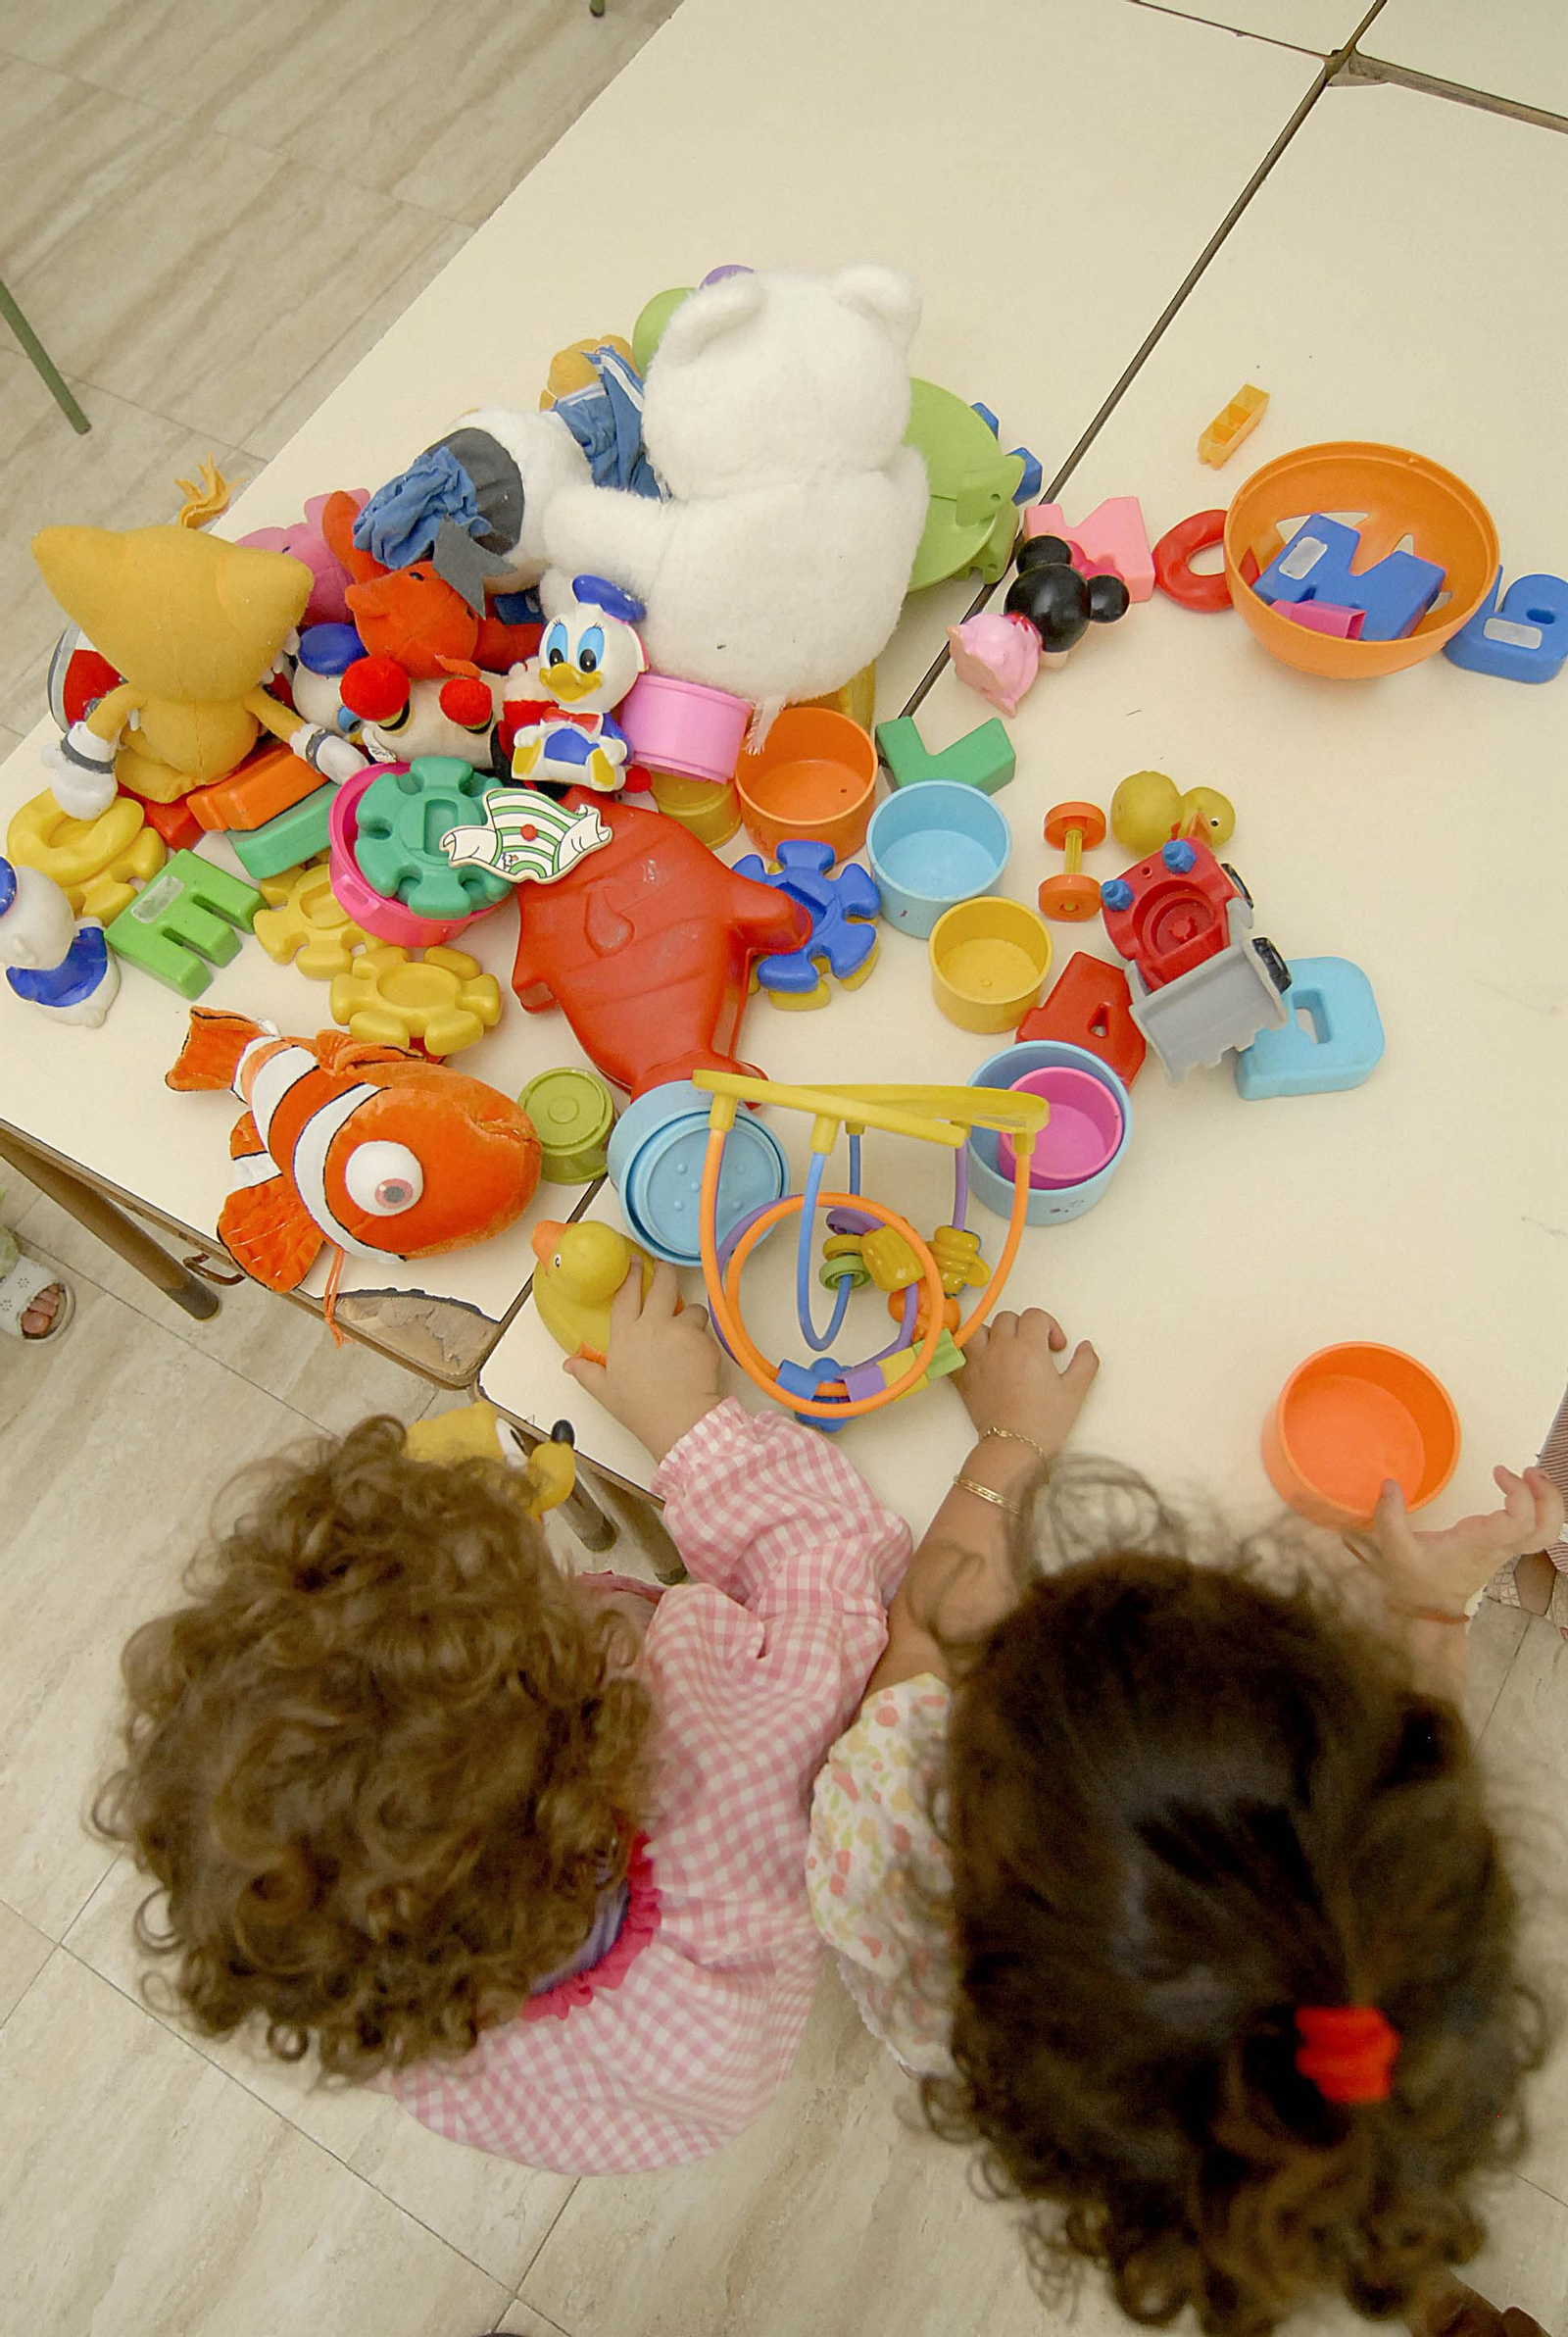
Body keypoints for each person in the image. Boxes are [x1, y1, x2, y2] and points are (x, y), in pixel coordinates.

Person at [808, 1309, 1564, 2337]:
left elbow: (924, 1632)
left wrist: (1012, 1438)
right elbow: (1409, 1779)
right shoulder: (1381, 1939)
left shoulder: (877, 1825)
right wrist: (1433, 1611)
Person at [94, 1268, 910, 2175]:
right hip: (738, 1985)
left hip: (641, 2097)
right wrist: (686, 1424)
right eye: (547, 1593)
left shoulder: (395, 1975)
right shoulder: (727, 1746)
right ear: (594, 1708)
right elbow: (829, 1566)